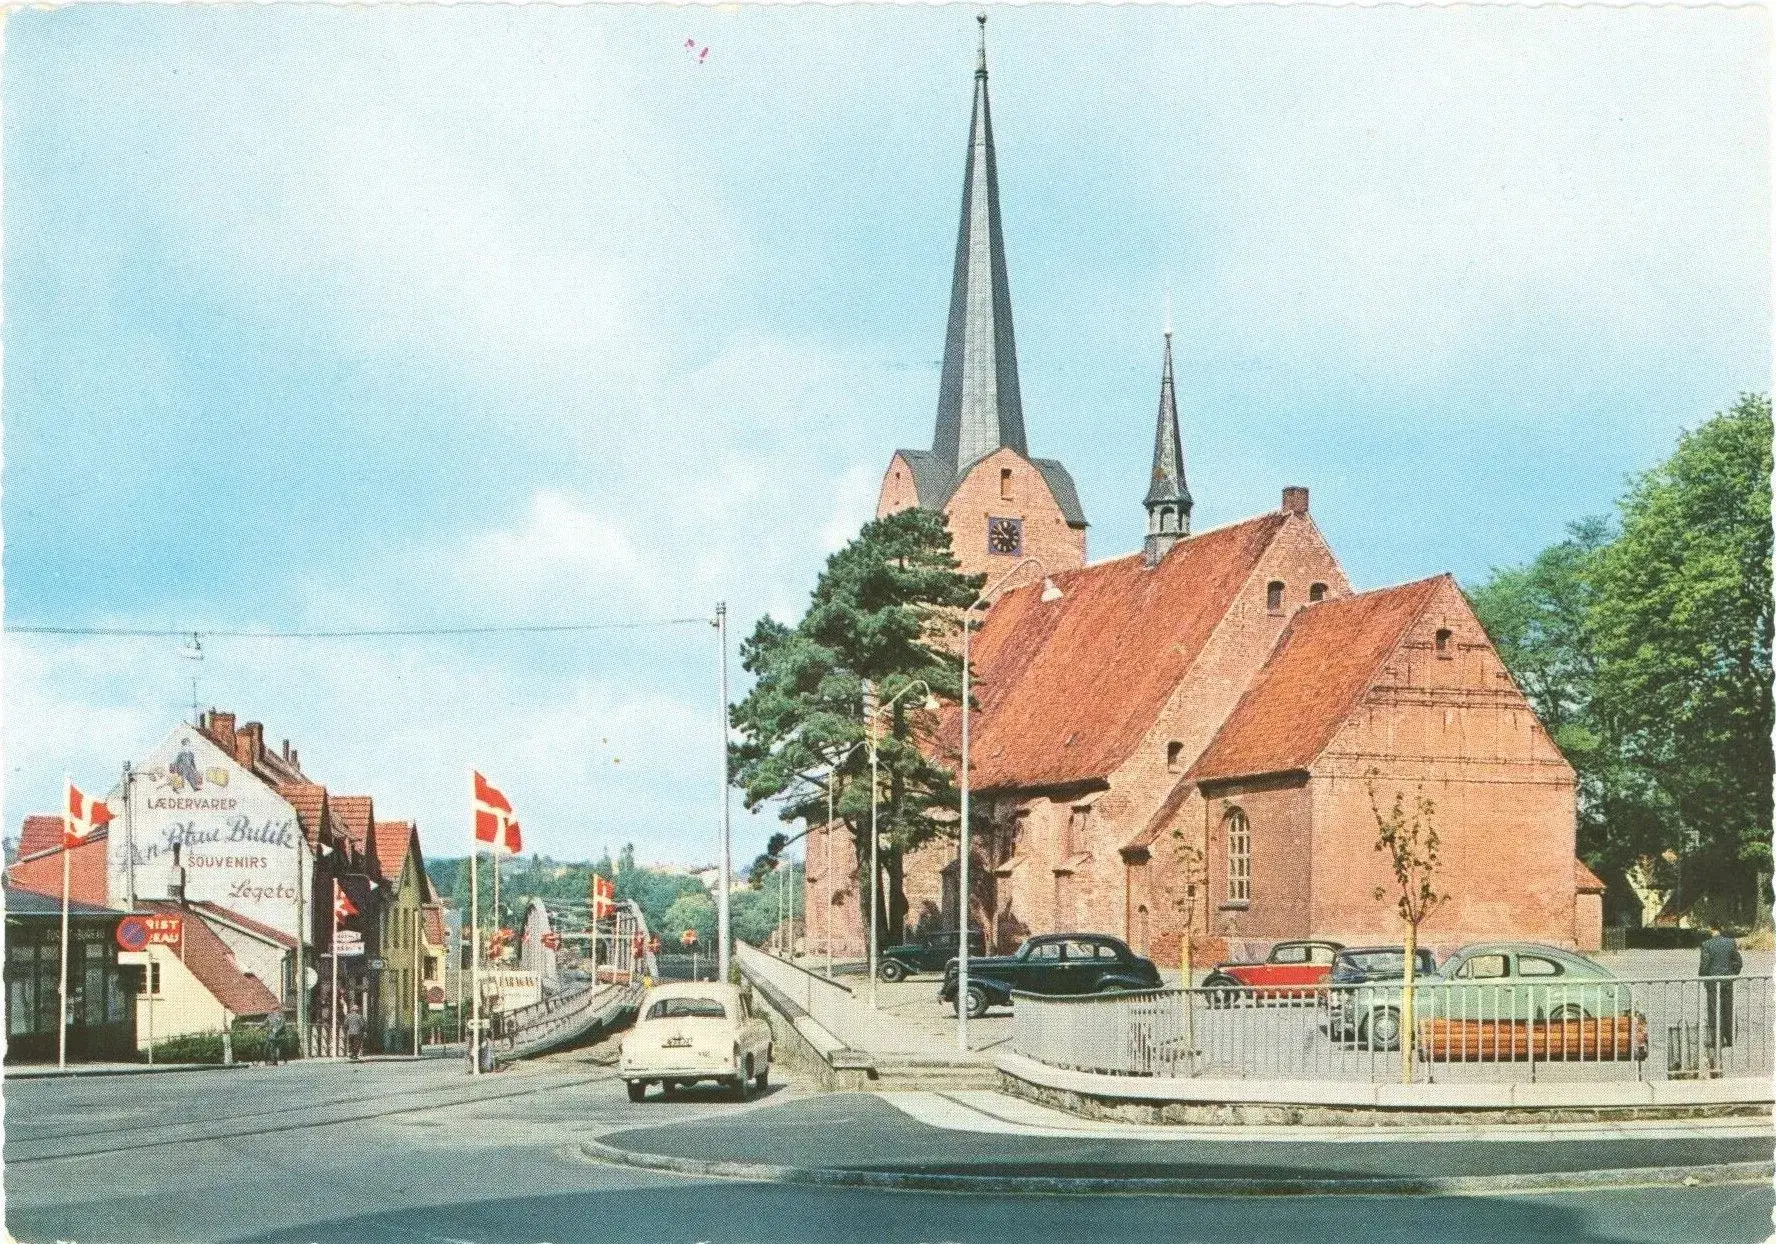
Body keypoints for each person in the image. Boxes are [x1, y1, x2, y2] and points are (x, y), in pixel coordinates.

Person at [1698, 925, 1743, 1075]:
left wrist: (1702, 977)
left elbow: (1704, 964)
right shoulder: (1731, 942)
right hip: (1727, 982)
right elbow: (1738, 962)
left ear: (1711, 930)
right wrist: (1732, 974)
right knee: (1728, 1008)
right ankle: (1730, 1038)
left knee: (1713, 1011)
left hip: (1712, 982)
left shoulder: (1706, 944)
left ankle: (1716, 1038)